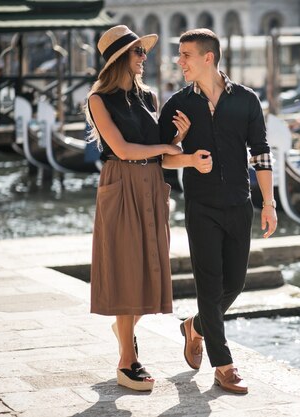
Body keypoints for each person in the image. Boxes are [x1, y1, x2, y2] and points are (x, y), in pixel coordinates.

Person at [159, 28, 277, 395]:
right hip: (201, 206)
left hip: (239, 203)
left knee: (235, 283)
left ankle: (194, 326)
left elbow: (261, 152)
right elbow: (160, 155)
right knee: (209, 288)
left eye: (186, 55)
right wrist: (188, 156)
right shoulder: (179, 104)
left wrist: (268, 203)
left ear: (208, 57)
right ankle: (223, 365)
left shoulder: (246, 100)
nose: (180, 62)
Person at [84, 25, 190, 392]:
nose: (144, 57)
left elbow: (162, 150)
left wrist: (178, 140)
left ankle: (124, 329)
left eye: (143, 52)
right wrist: (167, 149)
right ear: (120, 59)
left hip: (150, 186)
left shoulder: (148, 96)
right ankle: (126, 360)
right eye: (137, 52)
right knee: (126, 267)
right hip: (120, 182)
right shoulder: (99, 99)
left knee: (149, 269)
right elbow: (124, 149)